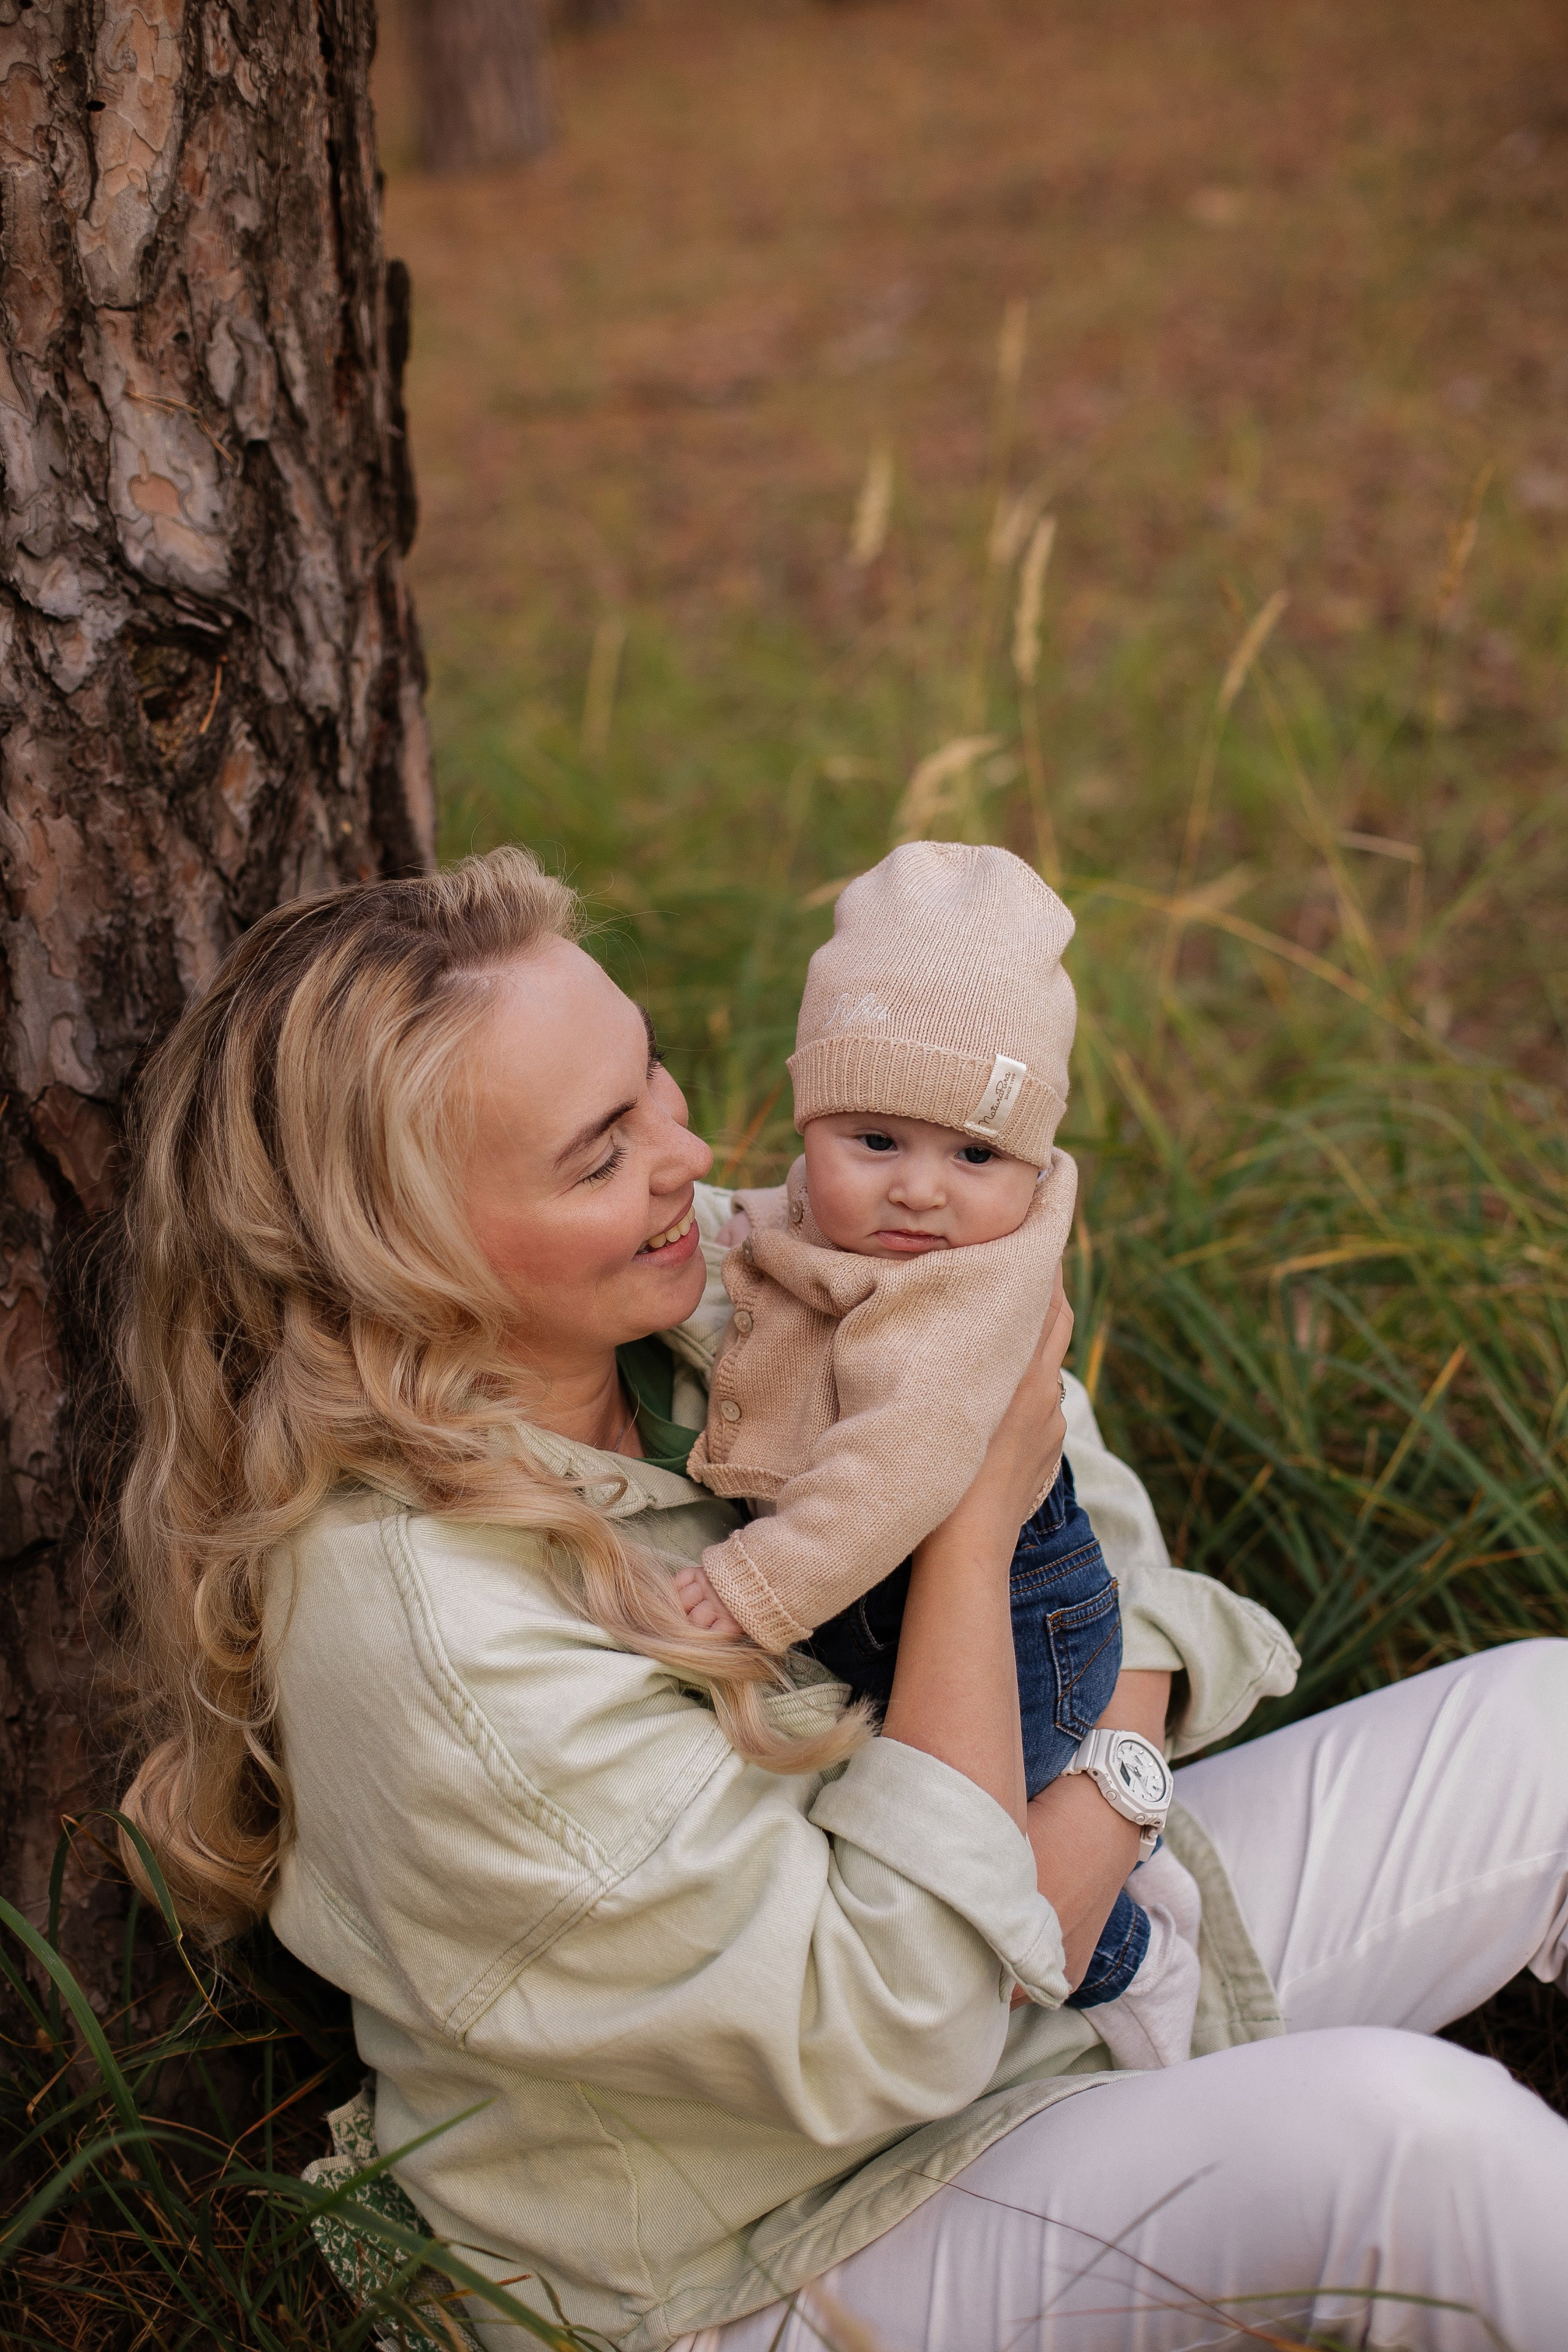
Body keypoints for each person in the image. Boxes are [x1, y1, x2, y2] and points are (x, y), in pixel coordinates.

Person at [115, 847, 1568, 2352]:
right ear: (401, 1254)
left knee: (1551, 1717)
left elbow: (1085, 1511)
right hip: (770, 2243)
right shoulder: (427, 1635)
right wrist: (961, 1540)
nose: (684, 1154)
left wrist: (1104, 1794)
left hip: (1037, 1986)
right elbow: (904, 2025)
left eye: (653, 1079)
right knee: (1412, 2148)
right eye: (599, 1154)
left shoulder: (717, 1287)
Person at [674, 839, 1292, 2062]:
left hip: (1023, 1623)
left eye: (972, 1155)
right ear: (812, 1120)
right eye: (873, 1142)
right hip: (904, 1603)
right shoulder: (847, 1213)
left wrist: (748, 1591)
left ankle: (1127, 1958)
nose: (919, 1194)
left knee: (971, 1854)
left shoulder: (957, 1305)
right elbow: (782, 1235)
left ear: (1032, 1158)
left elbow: (890, 1473)